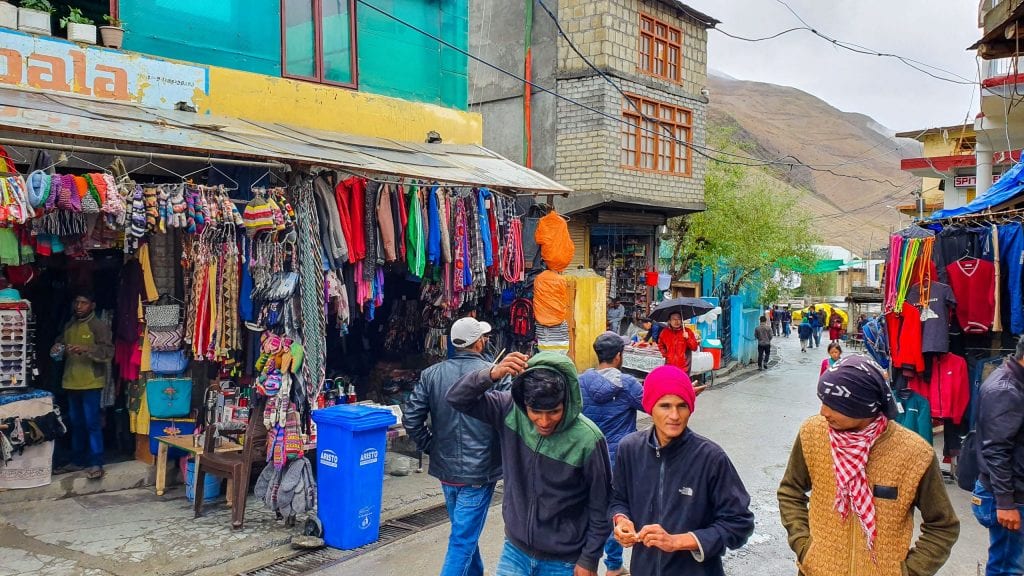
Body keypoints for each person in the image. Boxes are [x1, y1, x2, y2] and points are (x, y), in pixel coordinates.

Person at [778, 355, 959, 576]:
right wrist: (804, 546)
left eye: (835, 404)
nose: (824, 412)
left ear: (863, 407)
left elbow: (943, 526)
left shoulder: (915, 454)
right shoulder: (813, 434)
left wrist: (909, 572)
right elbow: (790, 491)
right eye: (823, 400)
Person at [448, 351, 611, 576]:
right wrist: (492, 374)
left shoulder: (588, 439)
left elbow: (601, 506)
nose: (544, 422)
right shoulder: (508, 411)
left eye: (554, 412)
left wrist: (590, 559)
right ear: (525, 404)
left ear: (568, 401)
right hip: (515, 552)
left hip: (563, 562)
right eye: (535, 412)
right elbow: (457, 398)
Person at [609, 365, 755, 575]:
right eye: (665, 406)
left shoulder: (711, 458)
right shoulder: (630, 448)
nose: (675, 415)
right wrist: (621, 520)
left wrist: (678, 541)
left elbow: (740, 524)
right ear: (650, 407)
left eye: (682, 406)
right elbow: (617, 498)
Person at [403, 317, 506, 576]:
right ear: (479, 342)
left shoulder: (432, 374)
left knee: (463, 533)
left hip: (448, 469)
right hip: (479, 471)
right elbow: (511, 419)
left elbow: (411, 418)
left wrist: (431, 446)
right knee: (463, 538)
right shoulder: (494, 374)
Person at [579, 332, 644, 576]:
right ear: (619, 356)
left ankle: (587, 562)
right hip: (618, 459)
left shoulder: (581, 381)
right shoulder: (627, 384)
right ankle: (614, 566)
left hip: (587, 455)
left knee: (589, 508)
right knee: (615, 511)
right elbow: (652, 405)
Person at [974, 337, 1024, 576]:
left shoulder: (1016, 382)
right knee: (1007, 568)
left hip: (1011, 491)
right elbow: (995, 450)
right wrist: (1006, 503)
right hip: (1007, 496)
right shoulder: (1006, 389)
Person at [51, 292, 114, 480]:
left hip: (91, 382)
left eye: (83, 303)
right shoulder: (70, 324)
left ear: (92, 305)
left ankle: (96, 462)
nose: (79, 306)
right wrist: (56, 348)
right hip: (71, 381)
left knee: (92, 423)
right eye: (76, 302)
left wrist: (86, 349)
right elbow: (60, 343)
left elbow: (108, 352)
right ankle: (77, 460)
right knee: (76, 423)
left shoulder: (98, 326)